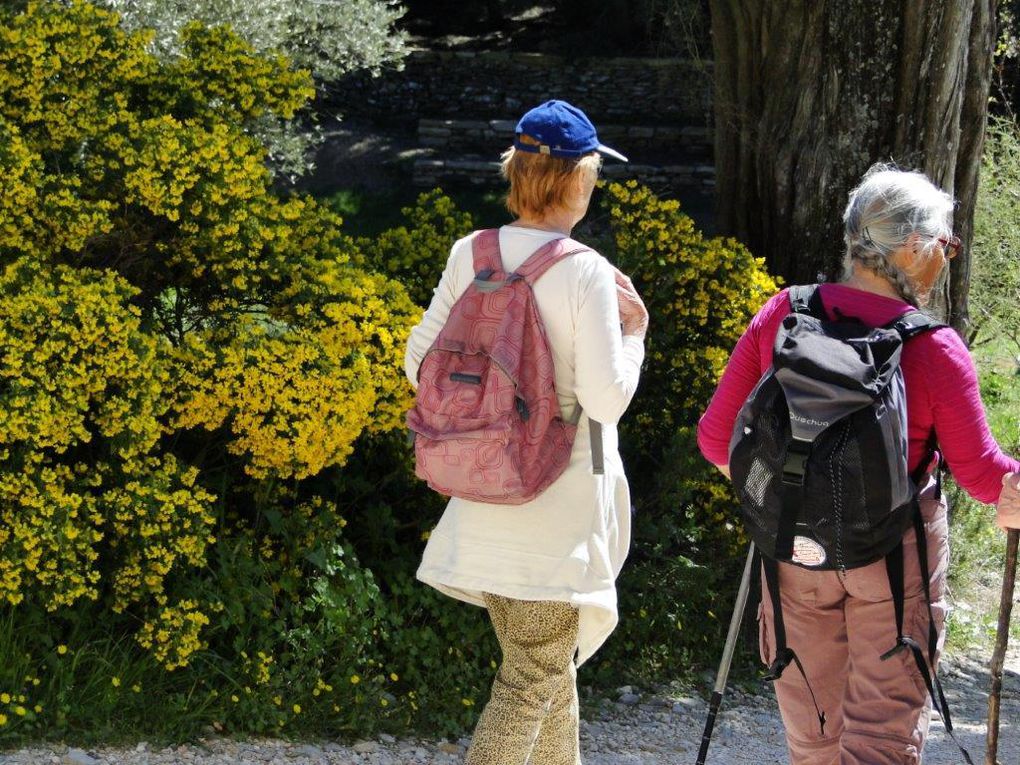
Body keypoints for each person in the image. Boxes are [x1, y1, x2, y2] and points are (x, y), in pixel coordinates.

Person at [697, 163, 1020, 765]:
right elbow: (985, 479)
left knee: (816, 744)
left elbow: (719, 442)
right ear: (913, 247)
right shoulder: (932, 348)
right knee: (878, 747)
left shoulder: (782, 315)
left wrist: (788, 497)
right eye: (946, 245)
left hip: (792, 555)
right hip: (892, 567)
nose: (948, 258)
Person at [404, 99, 647, 765]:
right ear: (577, 179)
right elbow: (606, 398)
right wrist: (635, 335)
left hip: (484, 498)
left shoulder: (472, 254)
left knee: (548, 670)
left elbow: (419, 363)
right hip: (555, 517)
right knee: (532, 677)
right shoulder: (585, 270)